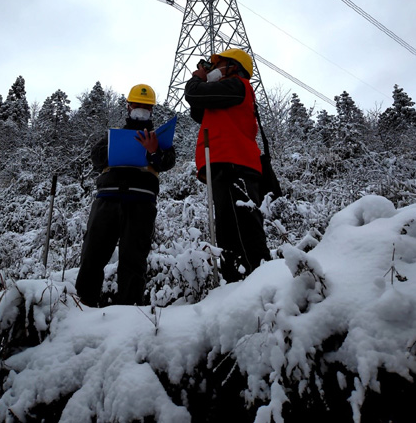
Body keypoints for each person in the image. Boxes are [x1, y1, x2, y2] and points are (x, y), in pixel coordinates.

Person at [75, 83, 175, 307]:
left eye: (146, 106)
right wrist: (115, 153)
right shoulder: (112, 137)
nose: (141, 109)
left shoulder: (160, 139)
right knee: (92, 256)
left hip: (141, 203)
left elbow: (167, 161)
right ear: (128, 106)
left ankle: (129, 313)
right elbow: (97, 158)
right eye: (137, 105)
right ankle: (83, 306)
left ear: (152, 110)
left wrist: (153, 150)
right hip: (107, 200)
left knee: (133, 261)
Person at [184, 48, 271, 283]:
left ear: (233, 66)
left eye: (218, 64)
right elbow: (199, 110)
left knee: (243, 230)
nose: (214, 70)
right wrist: (203, 82)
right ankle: (236, 284)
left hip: (236, 165)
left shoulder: (237, 86)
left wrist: (197, 79)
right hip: (227, 165)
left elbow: (195, 94)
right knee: (228, 231)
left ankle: (260, 282)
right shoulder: (226, 94)